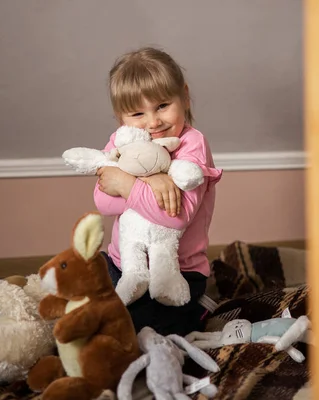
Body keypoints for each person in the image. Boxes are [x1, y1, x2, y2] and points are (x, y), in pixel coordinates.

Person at [93, 47, 222, 336]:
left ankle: (194, 310)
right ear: (120, 117)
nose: (153, 122)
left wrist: (127, 183)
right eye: (138, 113)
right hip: (123, 263)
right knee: (83, 291)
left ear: (184, 97)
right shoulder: (121, 140)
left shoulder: (193, 145)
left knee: (135, 331)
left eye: (163, 106)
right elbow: (103, 201)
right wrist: (152, 180)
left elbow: (176, 217)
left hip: (178, 272)